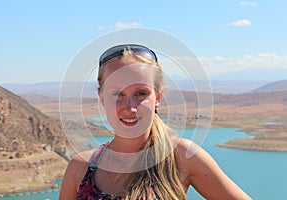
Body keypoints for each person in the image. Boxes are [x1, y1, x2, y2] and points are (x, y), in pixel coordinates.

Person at [59, 44, 251, 200]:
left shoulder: (182, 156)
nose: (130, 107)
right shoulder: (80, 167)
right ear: (101, 97)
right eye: (117, 94)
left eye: (141, 93)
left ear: (158, 97)